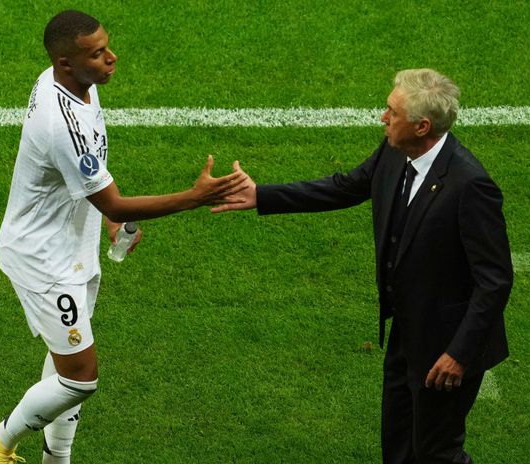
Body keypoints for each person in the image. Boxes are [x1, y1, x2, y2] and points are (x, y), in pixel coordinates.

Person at [0, 10, 246, 464]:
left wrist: (107, 218)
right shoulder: (60, 123)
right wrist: (194, 198)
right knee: (80, 377)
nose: (112, 58)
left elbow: (93, 169)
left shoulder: (78, 84)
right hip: (43, 258)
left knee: (67, 359)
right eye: (98, 54)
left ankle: (57, 459)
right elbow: (113, 201)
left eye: (107, 47)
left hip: (72, 244)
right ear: (66, 63)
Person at [214, 69, 512, 463]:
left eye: (392, 112)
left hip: (447, 345)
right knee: (398, 446)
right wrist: (262, 196)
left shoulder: (470, 185)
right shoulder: (396, 152)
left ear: (422, 126)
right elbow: (346, 187)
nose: (382, 118)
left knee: (437, 453)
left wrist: (459, 354)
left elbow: (495, 280)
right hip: (407, 332)